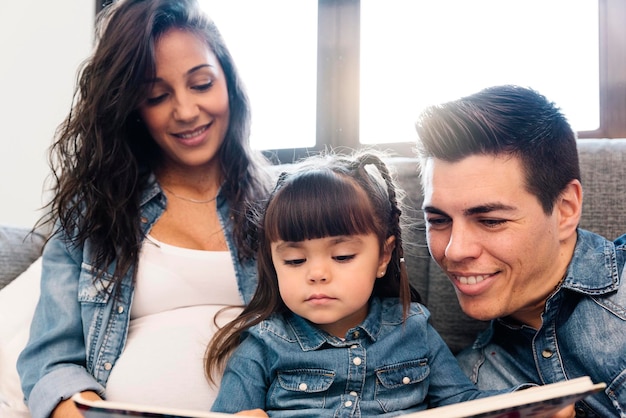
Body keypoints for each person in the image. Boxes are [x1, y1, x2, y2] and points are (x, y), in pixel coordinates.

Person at [16, 1, 272, 417]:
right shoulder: (92, 211)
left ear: (229, 81)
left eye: (202, 84)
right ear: (131, 107)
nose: (186, 111)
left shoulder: (282, 202)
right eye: (156, 95)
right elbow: (51, 362)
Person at [205, 151, 515, 417]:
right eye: (295, 261)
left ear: (383, 257)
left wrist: (536, 404)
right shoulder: (263, 345)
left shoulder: (413, 329)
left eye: (342, 256)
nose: (316, 274)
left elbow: (463, 404)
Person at [414, 84, 626, 417]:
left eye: (491, 220)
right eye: (439, 220)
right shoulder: (471, 388)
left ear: (566, 209)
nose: (454, 251)